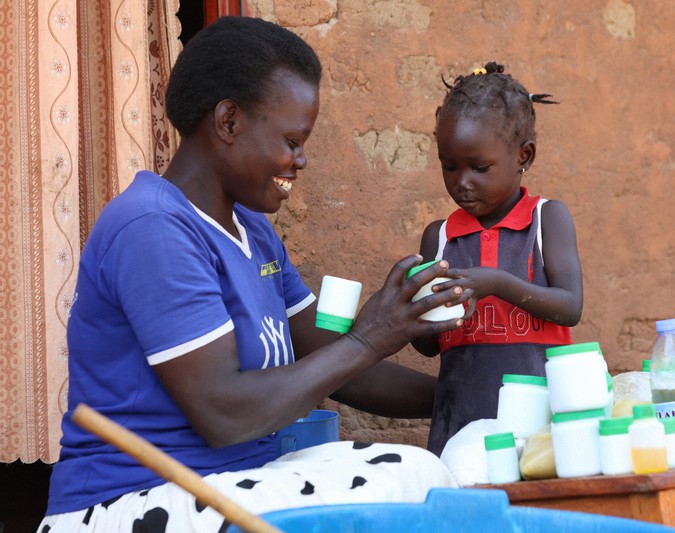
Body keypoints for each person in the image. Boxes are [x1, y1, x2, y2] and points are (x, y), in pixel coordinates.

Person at [39, 17, 471, 532]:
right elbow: (225, 415)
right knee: (404, 485)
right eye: (292, 140)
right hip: (132, 499)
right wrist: (370, 337)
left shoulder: (253, 231)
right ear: (228, 121)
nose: (301, 160)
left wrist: (465, 397)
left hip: (231, 483)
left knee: (420, 473)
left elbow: (337, 364)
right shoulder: (152, 227)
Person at [412, 62, 584, 456]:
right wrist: (414, 306)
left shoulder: (546, 220)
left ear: (524, 156)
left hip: (539, 434)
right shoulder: (439, 237)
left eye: (480, 168)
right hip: (459, 426)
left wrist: (497, 283)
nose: (462, 182)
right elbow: (428, 347)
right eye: (449, 166)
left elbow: (570, 307)